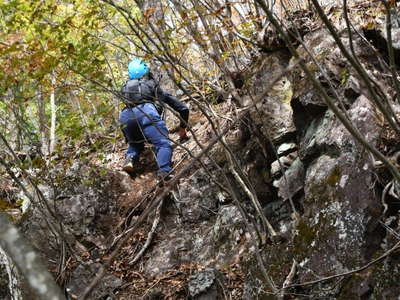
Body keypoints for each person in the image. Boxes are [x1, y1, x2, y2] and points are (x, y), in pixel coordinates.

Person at [119, 58, 189, 181]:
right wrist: (183, 127)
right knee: (163, 144)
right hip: (147, 113)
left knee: (135, 145)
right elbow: (182, 108)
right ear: (146, 72)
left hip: (125, 116)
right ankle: (164, 172)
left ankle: (130, 159)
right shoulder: (152, 86)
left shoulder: (125, 89)